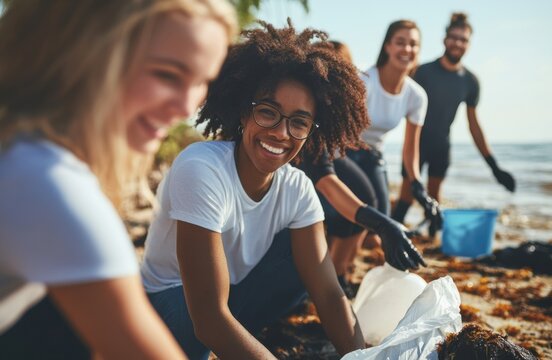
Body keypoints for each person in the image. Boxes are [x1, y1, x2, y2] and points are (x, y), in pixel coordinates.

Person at [0, 1, 236, 359]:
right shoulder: (43, 179)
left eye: (203, 81)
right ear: (85, 55)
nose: (188, 108)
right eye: (166, 75)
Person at [140, 21, 366, 359]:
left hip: (227, 299)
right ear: (245, 113)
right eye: (268, 112)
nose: (281, 132)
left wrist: (362, 356)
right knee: (205, 322)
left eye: (299, 122)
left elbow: (330, 295)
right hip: (169, 306)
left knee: (304, 262)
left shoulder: (297, 187)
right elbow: (209, 318)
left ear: (311, 133)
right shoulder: (202, 168)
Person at [297, 41, 425, 293]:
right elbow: (326, 180)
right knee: (344, 216)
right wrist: (384, 225)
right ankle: (326, 280)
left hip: (351, 157)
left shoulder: (334, 113)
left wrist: (414, 186)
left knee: (361, 209)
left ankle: (338, 274)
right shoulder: (307, 109)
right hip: (306, 175)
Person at [392, 13, 516, 233]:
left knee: (435, 201)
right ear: (444, 39)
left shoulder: (470, 81)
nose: (458, 43)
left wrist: (493, 166)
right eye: (454, 37)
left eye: (463, 39)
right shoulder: (422, 71)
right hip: (416, 145)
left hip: (442, 146)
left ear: (469, 44)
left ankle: (432, 243)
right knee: (407, 196)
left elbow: (474, 126)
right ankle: (389, 241)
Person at [347, 20, 441, 241]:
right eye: (400, 42)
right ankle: (340, 270)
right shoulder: (364, 82)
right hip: (345, 153)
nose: (407, 49)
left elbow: (410, 150)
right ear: (388, 46)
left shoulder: (416, 96)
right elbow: (341, 132)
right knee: (354, 216)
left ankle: (350, 266)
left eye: (413, 44)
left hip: (374, 155)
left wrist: (418, 186)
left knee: (382, 221)